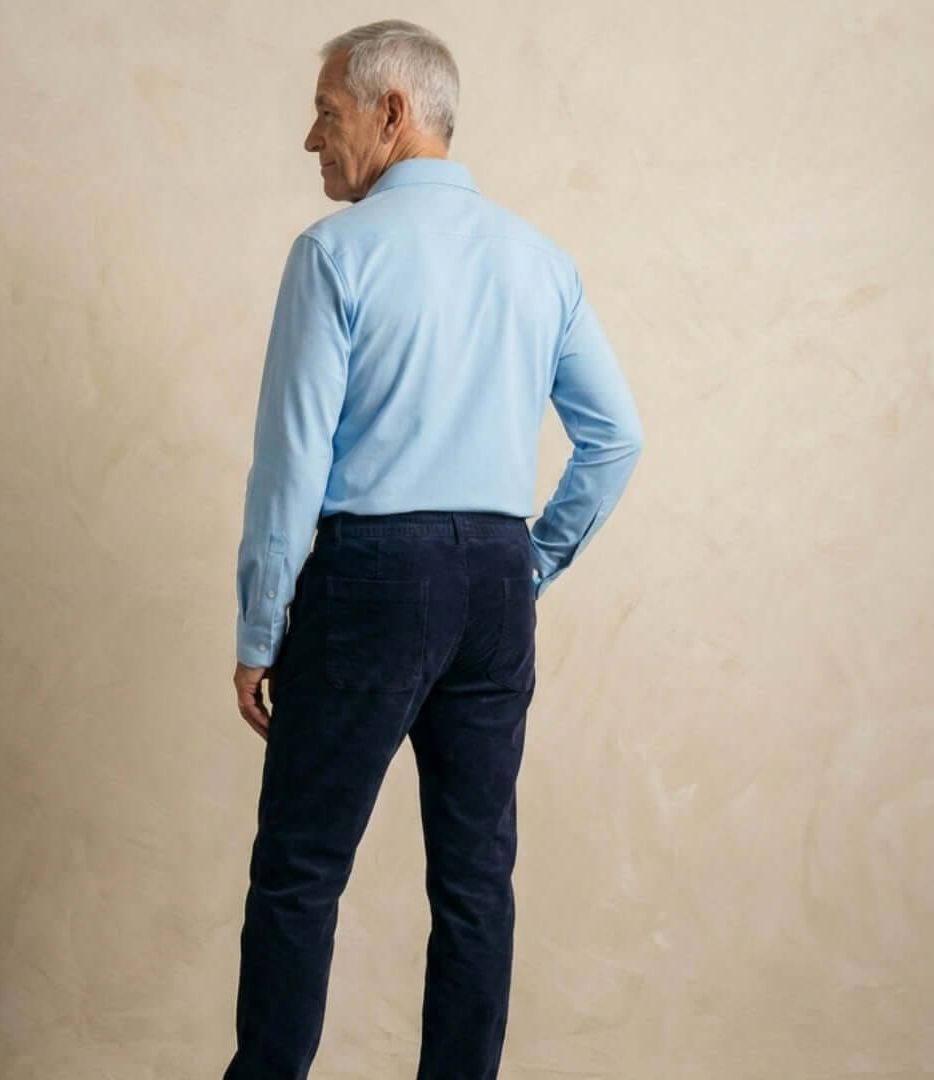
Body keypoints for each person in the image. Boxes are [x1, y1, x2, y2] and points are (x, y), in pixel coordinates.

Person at [225, 19, 644, 1080]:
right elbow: (616, 438)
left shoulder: (334, 254)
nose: (311, 140)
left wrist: (259, 623)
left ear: (391, 112)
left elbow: (291, 465)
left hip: (371, 581)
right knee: (474, 883)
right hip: (495, 585)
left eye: (326, 114)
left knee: (301, 871)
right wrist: (530, 560)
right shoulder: (541, 260)